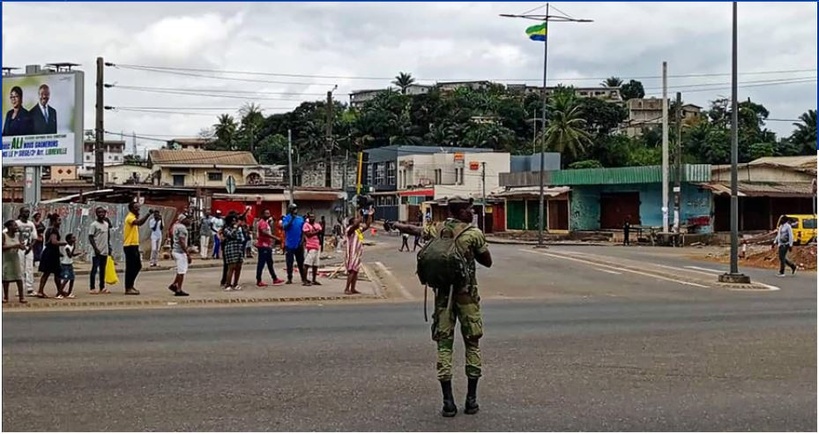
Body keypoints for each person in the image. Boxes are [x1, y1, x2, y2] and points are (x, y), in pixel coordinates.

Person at [388, 196, 493, 418]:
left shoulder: (437, 229)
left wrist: (397, 225)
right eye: (469, 209)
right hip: (467, 296)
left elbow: (415, 231)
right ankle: (471, 400)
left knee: (444, 347)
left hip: (443, 297)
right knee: (472, 344)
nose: (472, 212)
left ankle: (448, 402)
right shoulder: (473, 234)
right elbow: (487, 261)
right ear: (460, 211)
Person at [123, 201, 151, 295]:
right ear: (131, 209)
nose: (138, 209)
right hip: (129, 245)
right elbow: (139, 223)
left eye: (138, 207)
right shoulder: (130, 217)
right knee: (131, 267)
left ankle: (131, 285)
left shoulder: (133, 216)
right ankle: (128, 287)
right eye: (136, 207)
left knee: (137, 266)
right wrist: (148, 214)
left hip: (134, 245)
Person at [36, 214, 67, 298]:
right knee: (49, 273)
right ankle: (41, 291)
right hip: (51, 254)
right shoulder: (53, 230)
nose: (60, 222)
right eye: (58, 220)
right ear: (54, 221)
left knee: (54, 273)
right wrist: (65, 243)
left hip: (51, 253)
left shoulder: (50, 229)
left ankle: (59, 291)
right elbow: (54, 242)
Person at [281, 203, 309, 285]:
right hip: (289, 244)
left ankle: (303, 278)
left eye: (296, 209)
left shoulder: (300, 219)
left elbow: (303, 230)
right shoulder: (286, 218)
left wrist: (302, 240)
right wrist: (291, 220)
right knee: (289, 262)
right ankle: (289, 278)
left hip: (299, 244)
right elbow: (285, 227)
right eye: (294, 209)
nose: (295, 210)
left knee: (301, 262)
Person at [255, 209, 284, 287]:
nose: (268, 214)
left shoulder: (265, 222)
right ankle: (259, 280)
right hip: (263, 246)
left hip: (267, 245)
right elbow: (264, 232)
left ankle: (274, 278)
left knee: (270, 263)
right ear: (262, 214)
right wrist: (275, 238)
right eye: (266, 213)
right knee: (261, 263)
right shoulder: (262, 223)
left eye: (269, 213)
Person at [342, 216, 370, 295]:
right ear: (352, 223)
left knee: (355, 271)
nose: (359, 223)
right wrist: (359, 219)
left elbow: (367, 226)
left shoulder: (358, 230)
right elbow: (353, 227)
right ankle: (347, 288)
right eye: (356, 221)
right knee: (351, 271)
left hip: (357, 253)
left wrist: (370, 215)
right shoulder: (349, 229)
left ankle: (353, 288)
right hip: (351, 253)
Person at [13, 207, 38, 295]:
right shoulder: (16, 223)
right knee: (20, 268)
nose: (27, 214)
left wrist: (30, 247)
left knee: (30, 268)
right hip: (19, 248)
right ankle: (20, 289)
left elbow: (35, 237)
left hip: (29, 248)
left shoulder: (31, 224)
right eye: (25, 212)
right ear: (21, 213)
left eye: (28, 212)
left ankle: (30, 288)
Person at [3, 220, 28, 304]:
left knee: (18, 277)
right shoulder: (4, 235)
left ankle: (21, 297)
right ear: (9, 227)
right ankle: (6, 297)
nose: (16, 227)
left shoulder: (17, 235)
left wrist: (22, 246)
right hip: (6, 259)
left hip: (15, 258)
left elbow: (21, 245)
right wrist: (14, 246)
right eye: (14, 225)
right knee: (6, 278)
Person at [88, 207, 112, 295]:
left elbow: (108, 236)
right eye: (99, 212)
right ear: (96, 214)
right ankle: (92, 287)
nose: (101, 214)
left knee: (103, 270)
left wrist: (109, 247)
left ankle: (102, 287)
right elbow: (90, 237)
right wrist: (95, 248)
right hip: (97, 251)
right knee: (94, 269)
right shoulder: (94, 225)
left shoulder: (106, 224)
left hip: (104, 250)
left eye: (103, 212)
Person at [168, 213, 192, 297]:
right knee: (182, 272)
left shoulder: (176, 226)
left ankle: (174, 284)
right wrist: (188, 253)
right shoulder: (182, 228)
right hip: (180, 252)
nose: (190, 220)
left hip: (175, 250)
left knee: (180, 270)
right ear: (183, 220)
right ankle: (179, 289)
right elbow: (182, 241)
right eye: (188, 219)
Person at [222, 214, 245, 291]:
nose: (234, 222)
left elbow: (242, 237)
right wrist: (236, 227)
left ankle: (236, 283)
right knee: (231, 267)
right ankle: (228, 284)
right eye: (233, 220)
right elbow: (231, 235)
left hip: (238, 248)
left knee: (239, 266)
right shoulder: (226, 229)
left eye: (235, 220)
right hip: (231, 248)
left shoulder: (239, 229)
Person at [58, 234, 83, 299]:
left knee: (72, 278)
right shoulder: (67, 247)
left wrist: (79, 253)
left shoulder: (71, 246)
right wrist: (74, 248)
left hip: (69, 264)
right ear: (68, 240)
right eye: (73, 238)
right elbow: (70, 255)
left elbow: (73, 255)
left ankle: (69, 293)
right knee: (66, 279)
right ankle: (59, 293)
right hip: (65, 265)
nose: (74, 239)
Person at [302, 212, 323, 286]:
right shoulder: (306, 225)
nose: (312, 218)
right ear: (308, 218)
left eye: (313, 217)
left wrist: (316, 232)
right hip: (310, 246)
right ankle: (304, 281)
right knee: (307, 264)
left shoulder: (317, 224)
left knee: (315, 264)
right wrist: (317, 232)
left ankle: (314, 280)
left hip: (317, 246)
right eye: (311, 217)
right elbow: (308, 235)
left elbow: (320, 233)